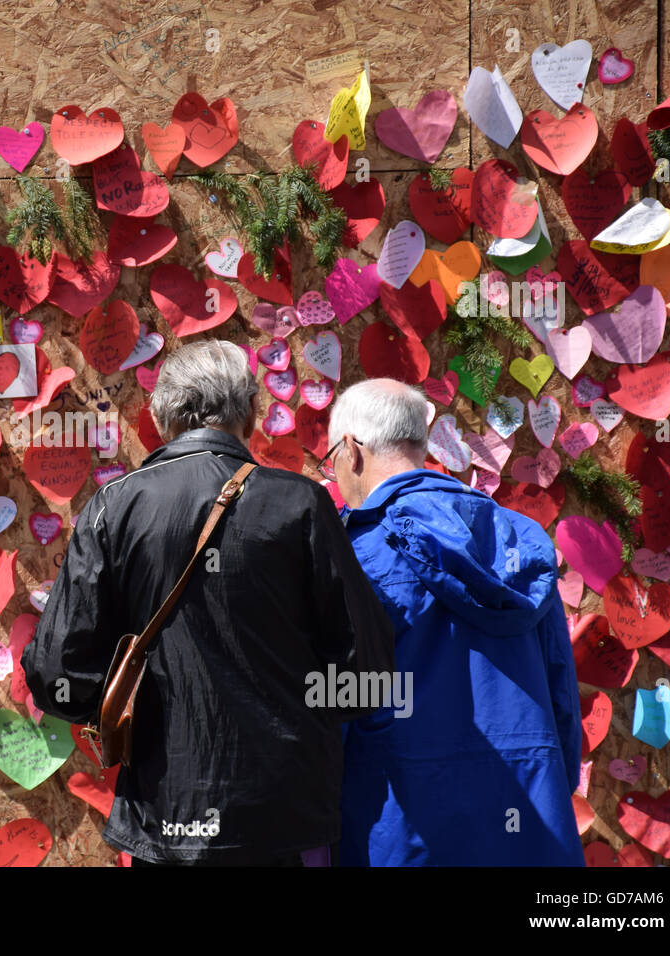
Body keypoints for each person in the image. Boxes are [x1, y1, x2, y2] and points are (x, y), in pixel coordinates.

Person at [22, 340, 396, 865]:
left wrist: (128, 704)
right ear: (249, 412)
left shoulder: (114, 506)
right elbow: (366, 674)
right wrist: (293, 714)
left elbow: (55, 673)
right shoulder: (301, 503)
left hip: (164, 809)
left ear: (161, 416)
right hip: (283, 816)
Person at [324, 378, 583, 866]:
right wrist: (552, 779)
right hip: (527, 814)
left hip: (402, 817)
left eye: (331, 458)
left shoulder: (356, 551)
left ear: (353, 451)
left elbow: (341, 700)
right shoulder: (519, 541)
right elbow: (560, 692)